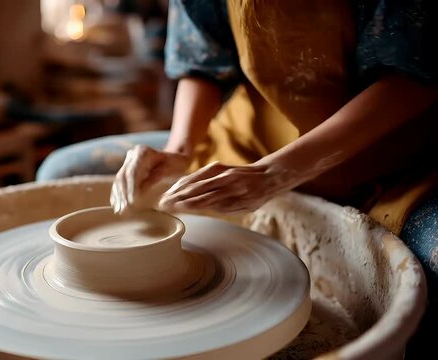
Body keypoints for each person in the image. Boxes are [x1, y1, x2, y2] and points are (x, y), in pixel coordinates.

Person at [37, 1, 438, 356]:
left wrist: (279, 171)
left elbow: (413, 78)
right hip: (253, 138)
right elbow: (202, 61)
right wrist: (180, 150)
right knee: (60, 170)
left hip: (383, 148)